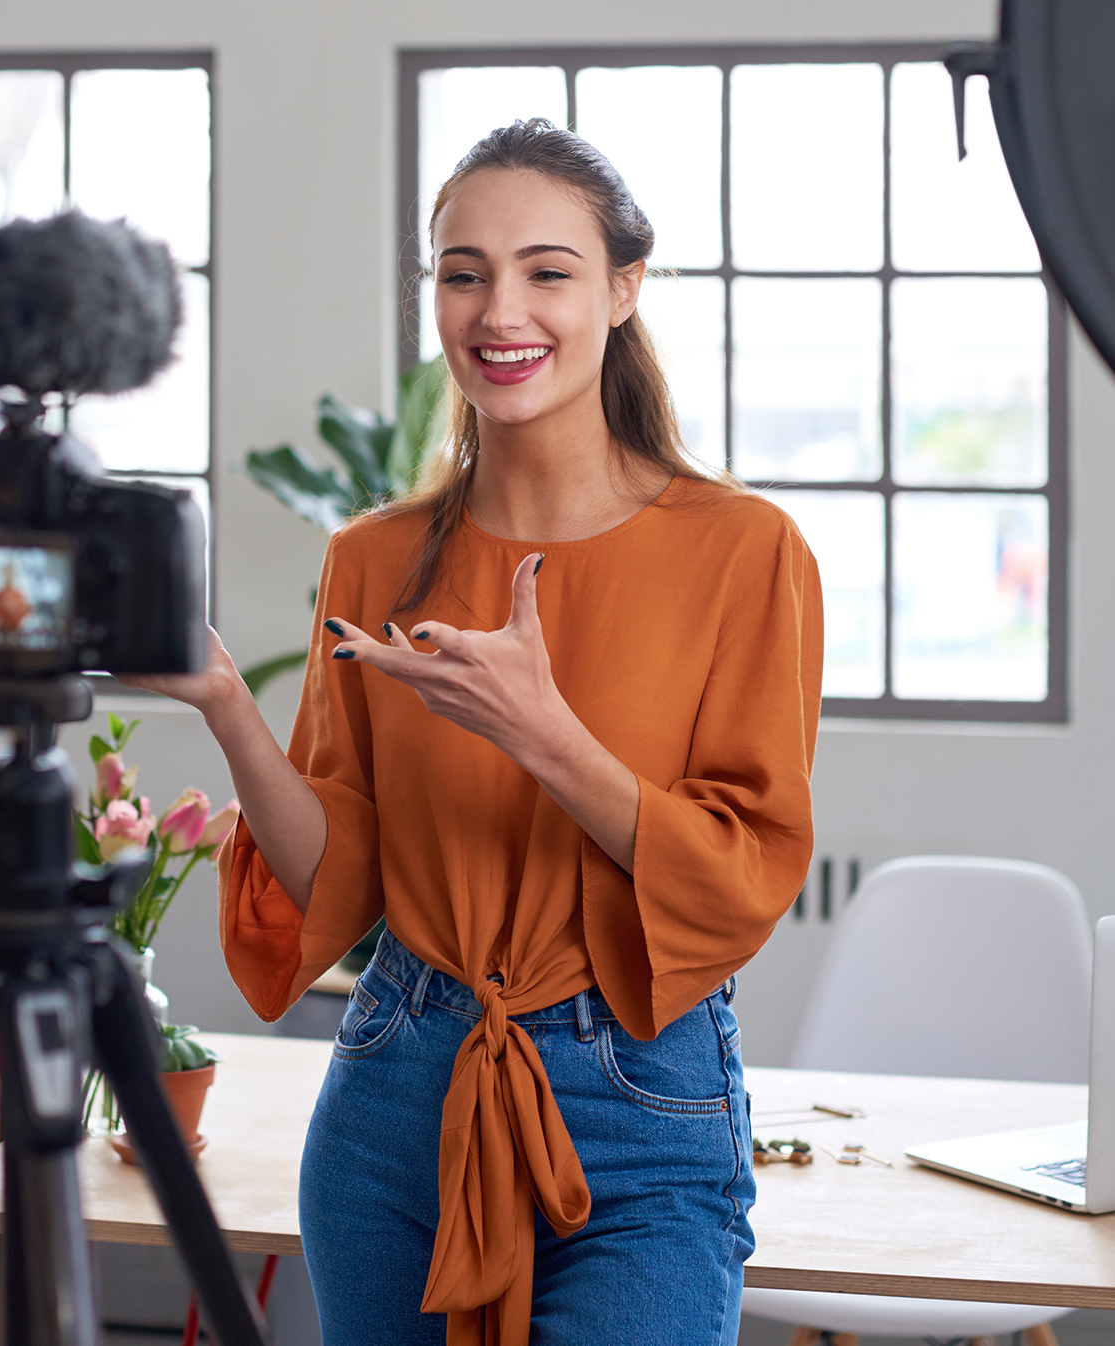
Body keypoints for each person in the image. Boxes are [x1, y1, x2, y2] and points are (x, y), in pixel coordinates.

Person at [128, 118, 823, 1346]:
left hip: (639, 1096)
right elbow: (336, 879)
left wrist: (543, 734)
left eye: (547, 270)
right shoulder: (374, 556)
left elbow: (740, 871)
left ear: (621, 288)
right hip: (397, 1086)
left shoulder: (742, 552)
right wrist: (227, 702)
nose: (500, 311)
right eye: (463, 273)